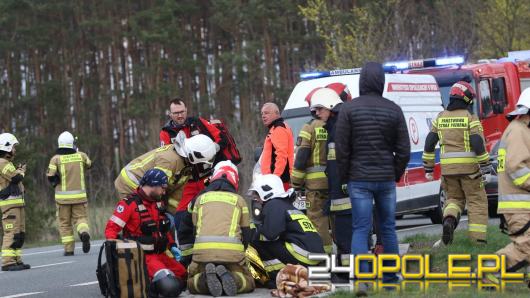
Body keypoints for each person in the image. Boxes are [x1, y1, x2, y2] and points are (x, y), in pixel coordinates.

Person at [335, 62, 410, 286]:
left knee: (361, 228)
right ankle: (390, 279)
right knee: (388, 228)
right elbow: (404, 150)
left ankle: (364, 281)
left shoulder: (348, 109)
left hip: (358, 179)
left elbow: (341, 148)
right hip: (386, 178)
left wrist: (345, 175)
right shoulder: (393, 109)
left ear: (361, 82)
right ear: (382, 82)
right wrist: (394, 172)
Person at [423, 81, 492, 245]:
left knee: (453, 199)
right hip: (471, 171)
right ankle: (478, 241)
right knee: (476, 202)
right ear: (467, 99)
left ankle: (449, 220)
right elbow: (477, 143)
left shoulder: (440, 118)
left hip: (448, 171)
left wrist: (428, 167)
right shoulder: (470, 118)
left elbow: (429, 143)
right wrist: (486, 166)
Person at [105, 169, 186, 297]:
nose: (164, 191)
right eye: (163, 187)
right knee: (170, 287)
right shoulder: (129, 204)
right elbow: (111, 230)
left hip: (160, 255)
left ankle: (153, 284)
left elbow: (162, 230)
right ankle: (147, 287)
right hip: (142, 258)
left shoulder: (157, 203)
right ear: (153, 184)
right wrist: (117, 258)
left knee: (184, 276)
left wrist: (172, 246)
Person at [178, 161, 255, 296]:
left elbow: (194, 230)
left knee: (190, 283)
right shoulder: (240, 200)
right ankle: (233, 278)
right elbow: (247, 234)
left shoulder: (200, 199)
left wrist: (189, 258)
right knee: (249, 281)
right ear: (235, 180)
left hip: (203, 254)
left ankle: (205, 280)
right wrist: (240, 254)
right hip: (232, 254)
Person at [483, 88, 530, 285]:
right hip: (519, 205)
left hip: (521, 204)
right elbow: (516, 166)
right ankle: (487, 273)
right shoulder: (519, 131)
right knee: (526, 247)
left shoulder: (520, 129)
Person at [159, 98, 227, 222]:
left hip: (207, 176)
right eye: (176, 113)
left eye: (182, 112)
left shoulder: (198, 123)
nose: (180, 115)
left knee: (212, 211)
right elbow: (167, 157)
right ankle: (185, 240)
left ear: (186, 110)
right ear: (170, 114)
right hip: (186, 181)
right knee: (181, 215)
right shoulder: (166, 133)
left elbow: (221, 137)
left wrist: (213, 148)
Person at [114, 134, 218, 214]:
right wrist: (160, 212)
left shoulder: (186, 165)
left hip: (147, 188)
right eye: (203, 162)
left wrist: (172, 214)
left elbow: (176, 194)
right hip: (130, 183)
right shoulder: (170, 161)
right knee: (142, 220)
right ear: (195, 156)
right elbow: (154, 188)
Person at [250, 174, 324, 284]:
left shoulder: (273, 204)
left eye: (257, 195)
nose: (257, 199)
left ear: (266, 191)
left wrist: (252, 232)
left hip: (301, 255)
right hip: (314, 258)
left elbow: (271, 234)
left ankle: (265, 278)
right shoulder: (286, 205)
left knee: (254, 244)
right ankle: (294, 272)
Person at [290, 88, 334, 254]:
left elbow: (301, 158)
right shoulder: (333, 124)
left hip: (315, 186)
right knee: (336, 218)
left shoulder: (309, 127)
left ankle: (324, 255)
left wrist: (296, 183)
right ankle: (343, 254)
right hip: (333, 181)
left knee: (317, 219)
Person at [46, 131, 92, 256]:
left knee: (64, 223)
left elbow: (50, 176)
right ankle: (84, 233)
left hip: (62, 199)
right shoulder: (81, 156)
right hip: (80, 197)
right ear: (72, 143)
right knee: (81, 219)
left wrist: (56, 182)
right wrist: (77, 151)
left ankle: (69, 250)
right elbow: (89, 164)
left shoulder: (55, 159)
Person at [0, 133, 30, 271]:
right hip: (9, 205)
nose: (15, 150)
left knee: (20, 234)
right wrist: (21, 171)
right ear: (6, 147)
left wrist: (18, 170)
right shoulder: (2, 163)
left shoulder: (7, 163)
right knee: (11, 233)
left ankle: (16, 260)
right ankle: (7, 262)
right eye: (13, 147)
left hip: (17, 204)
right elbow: (15, 178)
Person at [260, 103, 294, 191]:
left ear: (276, 113)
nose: (263, 116)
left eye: (266, 113)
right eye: (262, 113)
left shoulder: (278, 128)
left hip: (279, 181)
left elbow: (281, 156)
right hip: (276, 179)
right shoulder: (276, 128)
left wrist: (275, 178)